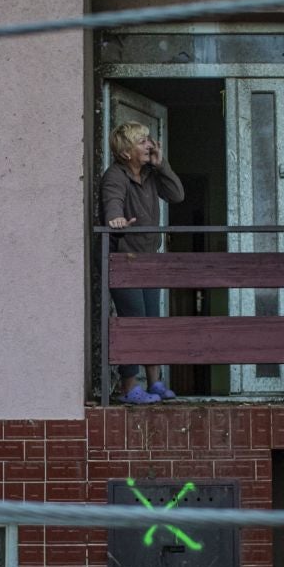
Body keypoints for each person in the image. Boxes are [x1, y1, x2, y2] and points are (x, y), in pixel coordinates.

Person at [100, 120, 185, 404]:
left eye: (149, 140)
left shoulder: (150, 173)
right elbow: (112, 199)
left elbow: (177, 195)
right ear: (126, 152)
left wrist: (163, 166)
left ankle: (155, 384)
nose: (150, 145)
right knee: (133, 323)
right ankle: (129, 388)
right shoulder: (115, 175)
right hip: (125, 260)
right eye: (142, 141)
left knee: (151, 323)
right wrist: (116, 218)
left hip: (150, 260)